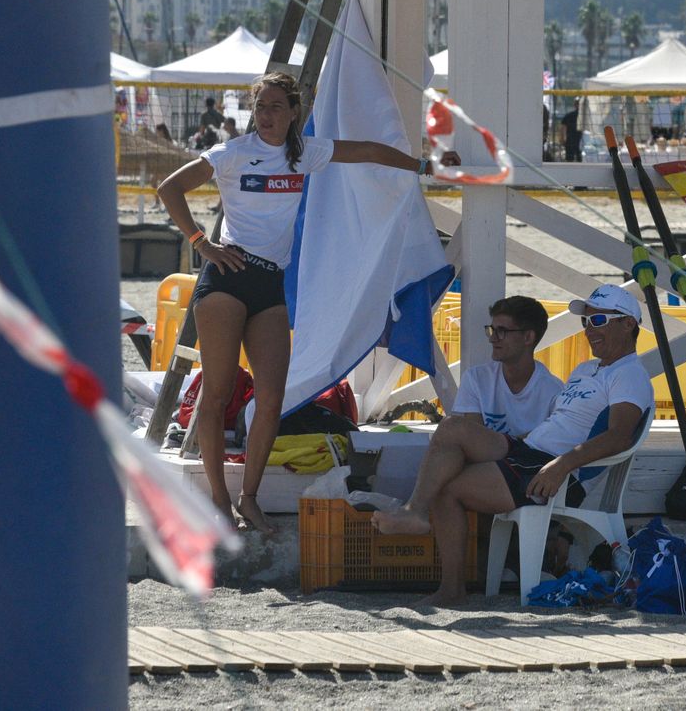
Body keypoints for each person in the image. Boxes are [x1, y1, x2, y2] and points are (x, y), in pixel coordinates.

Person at [157, 70, 459, 533]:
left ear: (294, 112)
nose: (267, 116)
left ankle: (248, 497)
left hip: (269, 285)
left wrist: (422, 167)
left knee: (272, 398)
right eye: (260, 107)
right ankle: (218, 497)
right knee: (216, 396)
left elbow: (367, 152)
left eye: (277, 107)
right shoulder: (232, 152)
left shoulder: (306, 154)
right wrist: (202, 242)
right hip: (226, 280)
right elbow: (169, 188)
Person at [371, 283, 652, 606]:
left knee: (447, 488)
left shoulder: (629, 374)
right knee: (451, 430)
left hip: (550, 467)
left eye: (598, 321)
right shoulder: (586, 369)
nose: (589, 331)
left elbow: (619, 436)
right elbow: (558, 425)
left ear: (628, 324)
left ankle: (443, 572)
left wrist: (562, 466)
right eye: (585, 322)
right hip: (530, 451)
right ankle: (417, 516)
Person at [450, 296, 562, 439]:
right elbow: (473, 440)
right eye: (492, 330)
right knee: (449, 427)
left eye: (502, 331)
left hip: (529, 461)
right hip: (484, 458)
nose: (492, 338)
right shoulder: (476, 378)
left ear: (528, 337)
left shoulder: (555, 392)